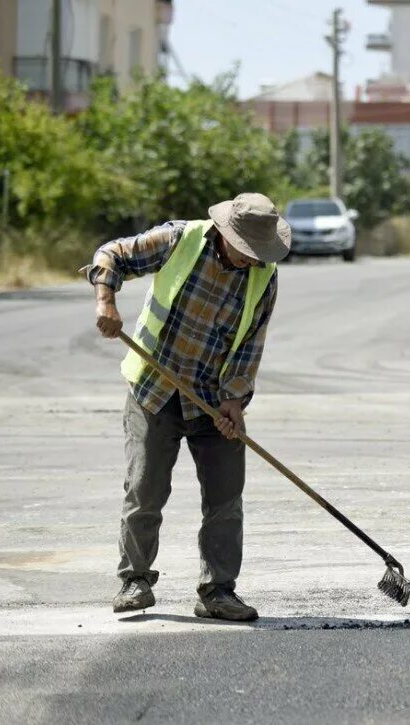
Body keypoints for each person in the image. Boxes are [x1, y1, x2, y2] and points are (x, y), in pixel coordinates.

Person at [84, 192, 290, 621]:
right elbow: (112, 253)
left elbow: (252, 344)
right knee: (145, 490)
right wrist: (106, 300)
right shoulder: (180, 240)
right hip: (155, 390)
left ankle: (217, 592)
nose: (254, 260)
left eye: (260, 254)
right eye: (248, 251)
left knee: (225, 499)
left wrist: (235, 400)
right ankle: (134, 579)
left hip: (214, 404)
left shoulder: (263, 277)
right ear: (226, 233)